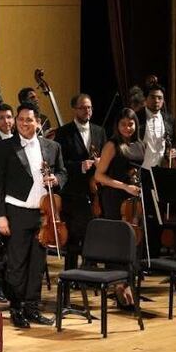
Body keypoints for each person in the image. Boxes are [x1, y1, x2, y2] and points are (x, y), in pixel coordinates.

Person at [0, 102, 66, 329]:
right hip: (16, 211)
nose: (24, 123)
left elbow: (63, 172)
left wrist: (57, 180)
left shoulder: (52, 146)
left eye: (29, 120)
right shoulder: (4, 148)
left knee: (37, 263)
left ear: (38, 122)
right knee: (17, 263)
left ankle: (32, 307)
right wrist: (0, 216)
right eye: (20, 120)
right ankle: (17, 308)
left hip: (43, 213)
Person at [92, 108, 145, 305]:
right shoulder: (112, 145)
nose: (127, 128)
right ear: (117, 126)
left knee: (135, 241)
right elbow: (99, 176)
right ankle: (118, 286)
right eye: (123, 124)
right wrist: (124, 186)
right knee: (118, 242)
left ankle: (129, 282)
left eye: (131, 124)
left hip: (134, 200)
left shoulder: (140, 144)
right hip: (115, 197)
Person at [55, 93, 106, 270]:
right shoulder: (63, 132)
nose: (87, 111)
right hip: (73, 191)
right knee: (73, 235)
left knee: (92, 232)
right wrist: (80, 166)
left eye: (89, 107)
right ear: (75, 109)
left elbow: (106, 158)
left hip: (94, 191)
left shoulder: (100, 131)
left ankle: (89, 270)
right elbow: (59, 164)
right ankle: (70, 273)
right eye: (83, 107)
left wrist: (101, 162)